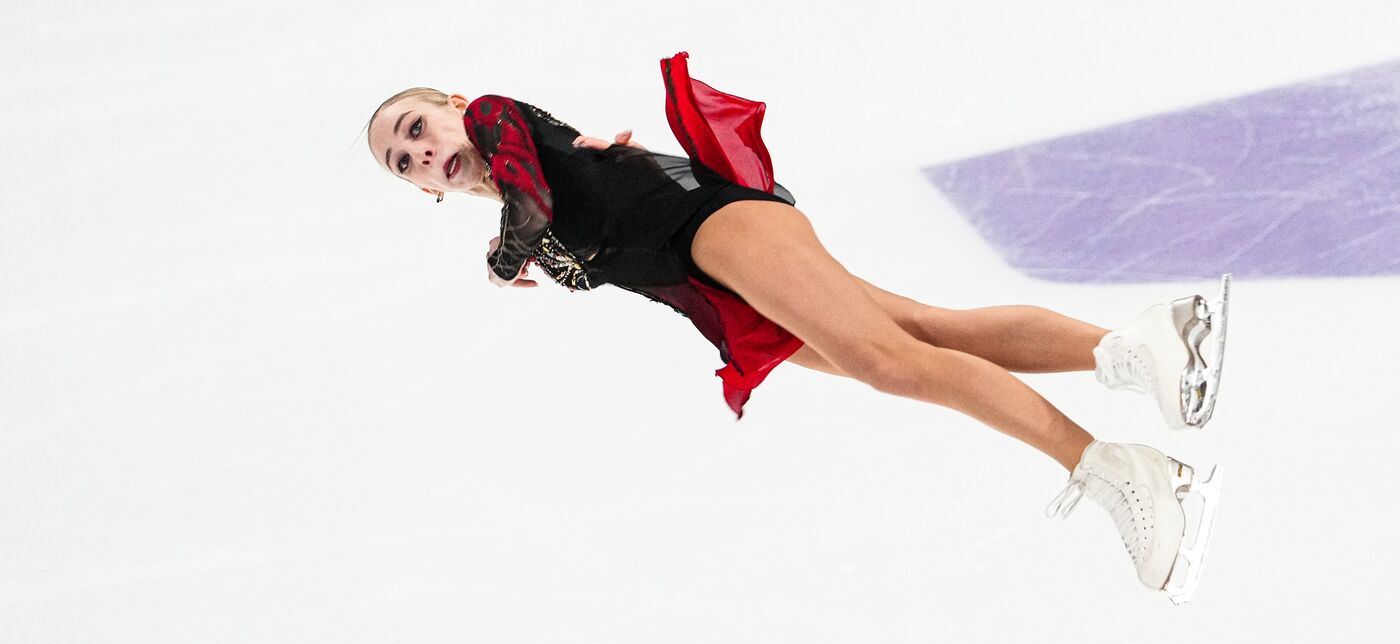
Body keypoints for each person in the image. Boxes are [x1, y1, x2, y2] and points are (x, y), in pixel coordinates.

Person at [363, 51, 1228, 603]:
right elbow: (550, 210)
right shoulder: (517, 211)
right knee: (924, 332)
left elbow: (536, 184)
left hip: (712, 228)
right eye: (405, 164)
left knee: (892, 363)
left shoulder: (494, 121)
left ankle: (1125, 472)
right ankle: (1141, 344)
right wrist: (518, 245)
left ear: (451, 103)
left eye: (415, 127)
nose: (420, 150)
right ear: (424, 191)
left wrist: (509, 253)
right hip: (714, 282)